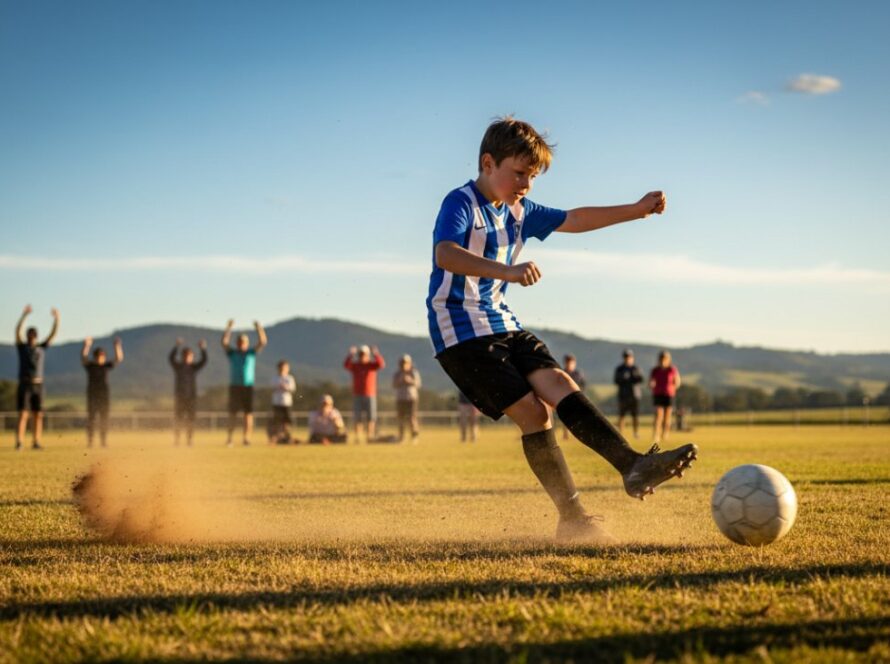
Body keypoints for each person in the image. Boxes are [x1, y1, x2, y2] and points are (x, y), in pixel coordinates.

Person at [425, 116, 697, 544]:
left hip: (501, 321)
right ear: (488, 162)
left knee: (559, 382)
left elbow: (574, 218)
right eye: (519, 174)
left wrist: (636, 210)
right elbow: (446, 254)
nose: (526, 185)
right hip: (460, 332)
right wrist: (507, 271)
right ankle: (572, 518)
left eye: (532, 177)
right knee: (535, 415)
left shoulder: (520, 211)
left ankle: (632, 466)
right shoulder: (460, 202)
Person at [13, 305, 59, 450]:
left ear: (36, 337)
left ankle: (36, 441)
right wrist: (24, 316)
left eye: (33, 335)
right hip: (25, 384)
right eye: (29, 335)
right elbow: (17, 331)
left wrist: (57, 319)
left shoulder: (41, 347)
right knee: (23, 414)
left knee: (38, 415)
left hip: (38, 385)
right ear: (27, 336)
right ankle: (19, 442)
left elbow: (52, 335)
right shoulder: (22, 348)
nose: (31, 337)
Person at [221, 319, 267, 446]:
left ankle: (246, 439)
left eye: (244, 342)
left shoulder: (251, 353)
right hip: (235, 387)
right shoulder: (233, 353)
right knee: (232, 414)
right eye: (239, 342)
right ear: (237, 343)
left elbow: (262, 342)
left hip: (248, 387)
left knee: (248, 415)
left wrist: (259, 328)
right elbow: (224, 343)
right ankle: (230, 438)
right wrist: (228, 328)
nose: (241, 344)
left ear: (247, 343)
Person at [81, 336, 124, 448]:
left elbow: (118, 358)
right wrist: (86, 345)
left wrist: (117, 346)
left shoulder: (106, 366)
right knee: (91, 419)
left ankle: (103, 441)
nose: (101, 358)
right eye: (99, 356)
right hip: (92, 396)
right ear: (95, 357)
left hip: (104, 396)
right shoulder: (90, 366)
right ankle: (90, 441)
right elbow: (84, 357)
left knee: (104, 418)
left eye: (102, 356)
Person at [169, 338, 208, 447]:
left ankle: (189, 440)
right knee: (178, 420)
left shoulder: (193, 367)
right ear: (182, 357)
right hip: (180, 397)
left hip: (191, 398)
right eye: (185, 355)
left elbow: (204, 361)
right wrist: (176, 347)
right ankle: (177, 440)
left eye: (189, 356)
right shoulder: (178, 367)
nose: (187, 357)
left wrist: (203, 349)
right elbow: (171, 358)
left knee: (191, 420)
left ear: (192, 357)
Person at [343, 345, 384, 443]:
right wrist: (350, 355)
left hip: (370, 395)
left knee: (371, 417)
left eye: (364, 354)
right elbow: (346, 365)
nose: (362, 356)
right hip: (357, 394)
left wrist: (376, 354)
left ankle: (369, 436)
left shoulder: (371, 365)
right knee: (358, 417)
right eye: (360, 354)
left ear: (368, 355)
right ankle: (358, 437)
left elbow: (381, 364)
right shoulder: (355, 366)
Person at [650, 350, 681, 443]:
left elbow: (677, 381)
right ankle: (656, 434)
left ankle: (665, 433)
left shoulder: (672, 369)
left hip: (668, 394)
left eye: (665, 359)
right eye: (661, 359)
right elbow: (651, 381)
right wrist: (651, 385)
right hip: (658, 394)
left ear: (668, 359)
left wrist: (673, 388)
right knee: (658, 415)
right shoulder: (655, 370)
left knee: (667, 416)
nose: (663, 360)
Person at [614, 349, 643, 439]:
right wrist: (623, 378)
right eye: (626, 357)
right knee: (621, 415)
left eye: (629, 357)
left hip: (634, 395)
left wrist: (633, 376)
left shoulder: (636, 368)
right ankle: (620, 434)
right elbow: (616, 380)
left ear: (632, 358)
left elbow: (641, 379)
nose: (627, 359)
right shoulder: (620, 369)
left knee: (635, 415)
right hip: (623, 395)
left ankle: (636, 433)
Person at [392, 354, 421, 443]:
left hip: (411, 398)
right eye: (402, 363)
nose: (404, 365)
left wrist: (410, 380)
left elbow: (418, 384)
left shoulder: (414, 373)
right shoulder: (397, 374)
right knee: (401, 418)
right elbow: (394, 385)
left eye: (406, 363)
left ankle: (414, 436)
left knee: (412, 418)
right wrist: (400, 380)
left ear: (410, 363)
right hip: (400, 399)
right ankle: (401, 437)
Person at [268, 360, 296, 444]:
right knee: (277, 421)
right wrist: (278, 386)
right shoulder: (275, 378)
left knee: (287, 421)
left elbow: (293, 388)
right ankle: (276, 436)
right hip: (276, 403)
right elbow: (271, 388)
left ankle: (287, 436)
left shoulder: (289, 378)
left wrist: (286, 387)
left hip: (286, 403)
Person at [561, 354, 587, 440]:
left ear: (574, 363)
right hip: (565, 398)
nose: (569, 365)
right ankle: (566, 435)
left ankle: (581, 434)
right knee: (566, 418)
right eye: (567, 363)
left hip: (577, 398)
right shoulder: (562, 373)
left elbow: (583, 385)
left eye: (571, 363)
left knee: (579, 417)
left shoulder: (578, 374)